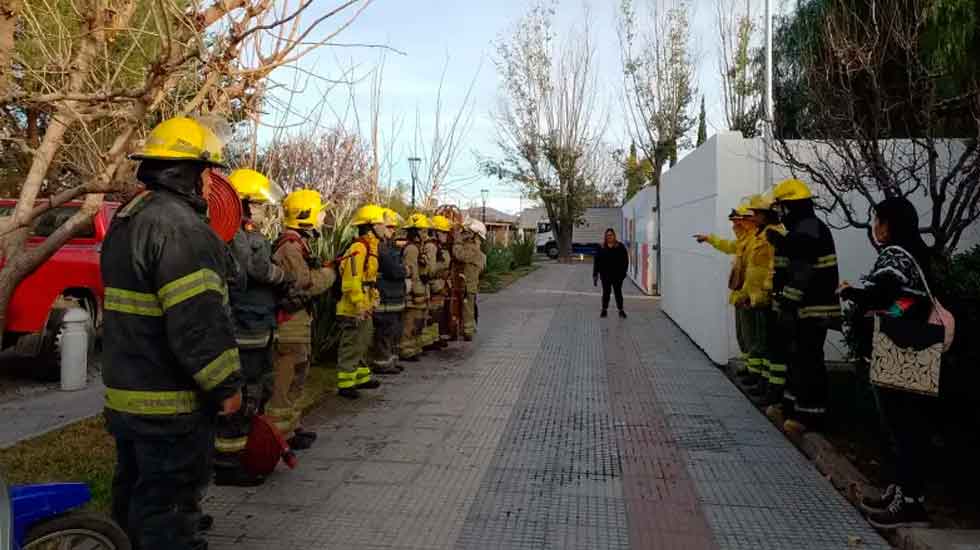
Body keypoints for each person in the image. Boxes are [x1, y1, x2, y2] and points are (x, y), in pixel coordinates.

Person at [101, 116, 243, 550]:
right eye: (206, 172)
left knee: (134, 499)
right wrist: (226, 386)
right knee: (170, 513)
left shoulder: (129, 217)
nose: (209, 183)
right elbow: (198, 323)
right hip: (170, 405)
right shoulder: (180, 229)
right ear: (186, 172)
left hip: (128, 395)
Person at [839, 197, 935, 529]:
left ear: (892, 223)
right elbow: (908, 300)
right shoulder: (920, 253)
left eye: (879, 220)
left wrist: (853, 293)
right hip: (919, 348)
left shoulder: (895, 255)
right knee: (909, 425)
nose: (875, 227)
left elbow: (884, 295)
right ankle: (900, 493)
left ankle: (909, 503)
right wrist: (887, 308)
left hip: (901, 348)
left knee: (902, 425)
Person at [215, 168, 292, 487]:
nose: (263, 211)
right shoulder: (237, 235)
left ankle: (243, 454)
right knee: (243, 393)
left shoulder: (249, 234)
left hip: (258, 328)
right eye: (259, 205)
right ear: (245, 203)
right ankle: (227, 463)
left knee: (256, 391)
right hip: (244, 329)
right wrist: (281, 276)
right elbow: (255, 269)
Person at [766, 178, 841, 434]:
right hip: (803, 309)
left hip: (813, 311)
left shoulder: (807, 229)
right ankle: (791, 409)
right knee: (797, 359)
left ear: (788, 206)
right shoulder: (802, 228)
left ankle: (809, 417)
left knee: (809, 361)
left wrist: (787, 302)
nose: (778, 212)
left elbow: (801, 271)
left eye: (780, 207)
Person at [268, 189, 336, 448]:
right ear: (305, 215)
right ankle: (278, 436)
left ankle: (292, 428)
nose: (324, 216)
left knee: (299, 374)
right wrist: (329, 275)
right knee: (285, 379)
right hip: (290, 324)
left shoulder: (298, 246)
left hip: (299, 321)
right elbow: (304, 284)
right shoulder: (290, 248)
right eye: (320, 212)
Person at [694, 203, 757, 382]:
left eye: (737, 222)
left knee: (751, 337)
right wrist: (709, 239)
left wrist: (746, 294)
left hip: (750, 297)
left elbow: (756, 274)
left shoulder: (754, 241)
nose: (734, 226)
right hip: (742, 295)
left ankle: (756, 374)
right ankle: (750, 368)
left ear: (747, 222)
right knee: (743, 336)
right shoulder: (745, 241)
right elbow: (728, 246)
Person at [335, 204, 386, 399]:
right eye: (381, 223)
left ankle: (361, 377)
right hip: (352, 308)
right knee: (351, 344)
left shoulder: (371, 247)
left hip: (364, 304)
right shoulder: (359, 247)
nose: (385, 227)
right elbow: (351, 280)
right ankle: (345, 384)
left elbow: (367, 279)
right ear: (371, 225)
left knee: (363, 342)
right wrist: (359, 304)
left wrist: (371, 299)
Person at [737, 195, 780, 405]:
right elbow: (752, 270)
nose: (753, 217)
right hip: (756, 299)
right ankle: (761, 382)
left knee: (767, 344)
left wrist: (764, 294)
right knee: (759, 342)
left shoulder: (774, 235)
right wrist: (745, 294)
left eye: (756, 214)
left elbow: (771, 268)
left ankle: (768, 387)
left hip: (767, 300)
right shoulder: (760, 235)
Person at [370, 208, 408, 374]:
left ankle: (390, 361)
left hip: (392, 297)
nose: (393, 231)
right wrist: (406, 271)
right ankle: (382, 363)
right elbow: (393, 270)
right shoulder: (380, 248)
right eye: (389, 227)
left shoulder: (387, 246)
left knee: (391, 331)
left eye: (394, 227)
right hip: (385, 297)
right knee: (384, 332)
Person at [400, 213, 431, 361]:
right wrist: (418, 292)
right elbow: (412, 272)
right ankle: (406, 349)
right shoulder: (412, 249)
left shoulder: (419, 248)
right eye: (423, 231)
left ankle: (415, 347)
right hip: (413, 294)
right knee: (410, 322)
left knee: (418, 322)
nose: (426, 234)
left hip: (420, 291)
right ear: (415, 232)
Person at [453, 218, 487, 341]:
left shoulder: (472, 248)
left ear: (472, 234)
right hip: (471, 284)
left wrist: (457, 240)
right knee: (470, 306)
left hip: (467, 285)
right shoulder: (477, 249)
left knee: (467, 308)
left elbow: (459, 255)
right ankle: (469, 329)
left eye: (466, 231)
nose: (464, 233)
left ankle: (468, 332)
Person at [426, 215, 454, 348]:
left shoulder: (439, 246)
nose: (445, 235)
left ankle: (434, 338)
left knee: (438, 313)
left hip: (441, 285)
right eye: (443, 232)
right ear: (435, 232)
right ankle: (429, 341)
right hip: (434, 286)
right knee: (433, 314)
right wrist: (442, 272)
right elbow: (430, 270)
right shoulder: (431, 247)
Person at [593, 228, 629, 318]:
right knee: (606, 293)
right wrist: (595, 274)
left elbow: (625, 261)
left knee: (618, 293)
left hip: (617, 276)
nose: (609, 237)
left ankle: (621, 310)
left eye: (611, 235)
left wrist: (623, 274)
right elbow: (596, 262)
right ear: (605, 236)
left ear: (614, 236)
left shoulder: (620, 246)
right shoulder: (601, 247)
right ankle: (604, 310)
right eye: (608, 235)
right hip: (605, 276)